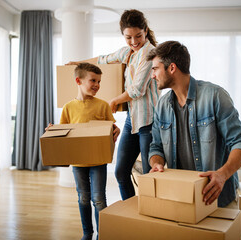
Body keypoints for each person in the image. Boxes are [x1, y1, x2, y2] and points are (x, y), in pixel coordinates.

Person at [68, 9, 160, 201]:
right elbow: (103, 59)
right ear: (123, 36)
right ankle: (131, 210)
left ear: (145, 31)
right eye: (128, 37)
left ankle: (150, 212)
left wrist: (115, 101)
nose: (134, 41)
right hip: (132, 120)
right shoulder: (127, 53)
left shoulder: (150, 53)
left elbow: (137, 90)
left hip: (149, 122)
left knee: (148, 175)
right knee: (120, 172)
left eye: (138, 36)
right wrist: (79, 63)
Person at [147, 41, 241, 208]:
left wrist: (222, 175)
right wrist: (156, 163)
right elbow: (156, 147)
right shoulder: (162, 105)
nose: (152, 75)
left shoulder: (215, 96)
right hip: (182, 197)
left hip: (219, 198)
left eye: (155, 69)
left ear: (171, 68)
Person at [46, 63, 120, 240]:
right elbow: (63, 131)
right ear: (78, 81)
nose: (97, 85)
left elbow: (112, 128)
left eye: (99, 81)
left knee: (99, 199)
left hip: (98, 161)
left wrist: (116, 131)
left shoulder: (102, 106)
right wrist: (52, 130)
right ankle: (87, 233)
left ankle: (103, 234)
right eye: (93, 80)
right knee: (83, 198)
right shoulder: (68, 107)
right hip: (78, 162)